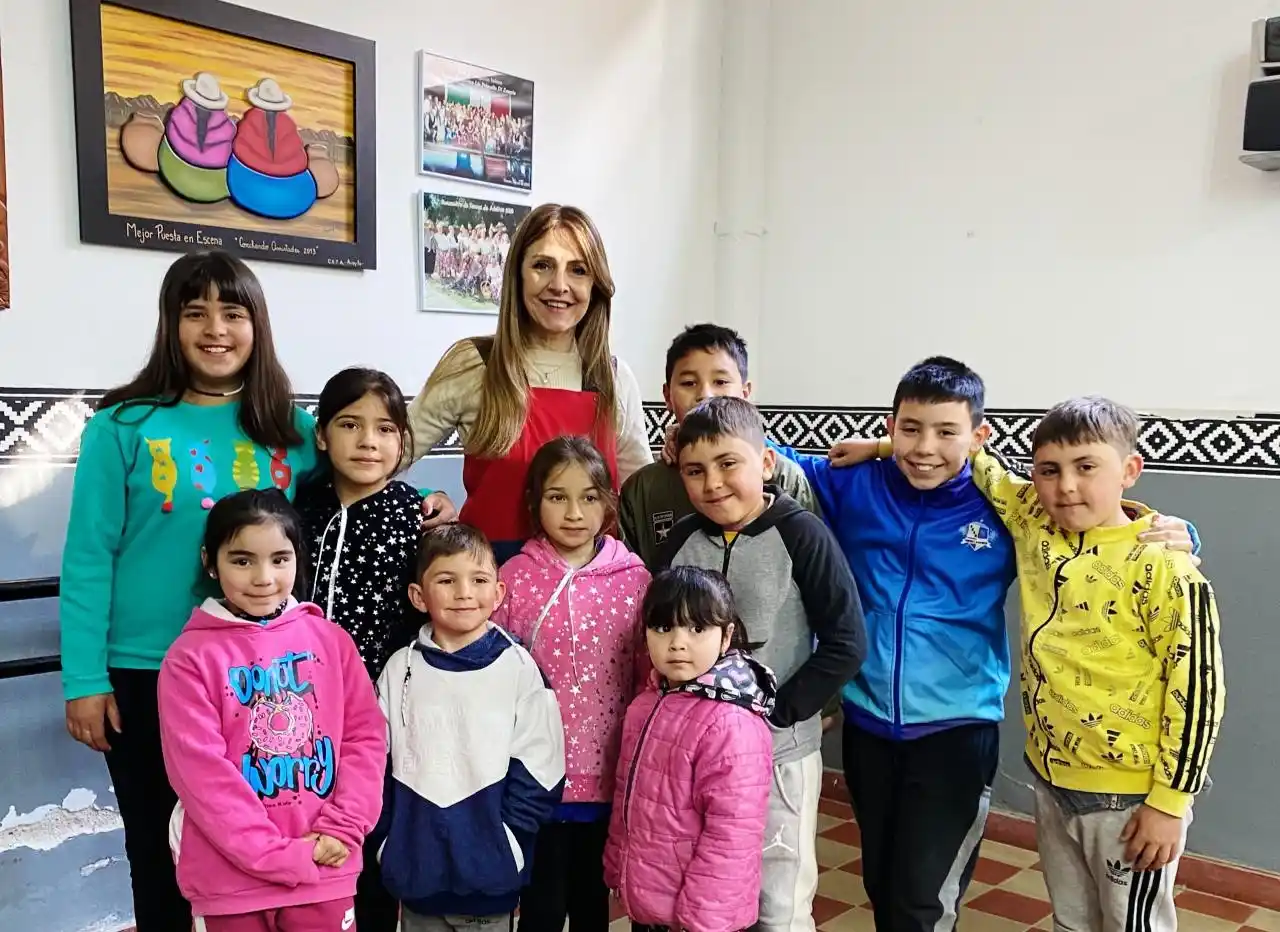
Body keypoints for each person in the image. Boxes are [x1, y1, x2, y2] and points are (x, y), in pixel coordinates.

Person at [782, 357, 1202, 931]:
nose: (926, 446)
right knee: (883, 883)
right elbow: (766, 461)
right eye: (909, 429)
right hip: (872, 725)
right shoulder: (859, 484)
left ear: (978, 436)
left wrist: (1179, 533)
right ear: (892, 425)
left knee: (921, 903)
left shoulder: (1009, 507)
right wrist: (879, 449)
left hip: (959, 730)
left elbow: (1106, 527)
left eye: (946, 431)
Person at [59, 250, 318, 931]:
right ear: (170, 324)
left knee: (262, 839)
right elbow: (88, 557)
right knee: (157, 848)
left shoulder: (292, 431)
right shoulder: (122, 426)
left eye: (232, 313)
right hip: (144, 670)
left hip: (262, 676)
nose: (215, 329)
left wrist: (428, 505)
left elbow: (361, 488)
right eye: (194, 312)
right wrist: (83, 677)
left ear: (257, 325)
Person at [968, 397, 1224, 932]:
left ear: (1129, 470)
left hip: (1129, 797)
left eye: (1087, 467)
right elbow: (978, 461)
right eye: (1049, 470)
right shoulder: (1035, 521)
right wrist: (881, 446)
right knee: (1072, 920)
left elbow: (1199, 691)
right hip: (1051, 779)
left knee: (1132, 924)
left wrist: (1169, 804)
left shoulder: (1166, 568)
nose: (1065, 486)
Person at [658, 396, 867, 932]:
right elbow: (656, 633)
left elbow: (846, 642)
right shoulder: (681, 541)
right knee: (706, 895)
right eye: (695, 471)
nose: (713, 483)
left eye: (728, 463)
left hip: (780, 755)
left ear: (766, 462)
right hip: (696, 758)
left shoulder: (802, 535)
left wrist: (779, 711)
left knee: (780, 903)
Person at [157, 489, 386, 932]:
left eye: (280, 559)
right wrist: (279, 856)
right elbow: (202, 776)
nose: (263, 578)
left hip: (327, 866)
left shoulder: (331, 641)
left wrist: (343, 827)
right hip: (230, 885)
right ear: (210, 561)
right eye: (242, 560)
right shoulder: (188, 659)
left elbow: (365, 739)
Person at [405, 203, 652, 564]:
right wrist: (424, 496)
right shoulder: (474, 363)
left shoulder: (613, 378)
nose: (559, 285)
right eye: (542, 266)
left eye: (578, 270)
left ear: (595, 284)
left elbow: (644, 500)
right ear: (517, 274)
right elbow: (383, 454)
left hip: (590, 591)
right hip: (488, 585)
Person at [491, 436, 651, 932]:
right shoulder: (513, 578)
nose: (575, 512)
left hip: (607, 774)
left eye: (589, 497)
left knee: (590, 902)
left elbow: (645, 676)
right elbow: (495, 675)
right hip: (535, 775)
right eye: (558, 497)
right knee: (540, 904)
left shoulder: (635, 579)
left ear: (608, 502)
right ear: (534, 502)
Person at [375, 524, 567, 932]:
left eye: (478, 580)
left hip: (489, 878)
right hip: (415, 877)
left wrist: (507, 841)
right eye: (447, 580)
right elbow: (375, 764)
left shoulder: (519, 669)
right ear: (418, 596)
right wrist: (388, 842)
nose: (464, 592)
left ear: (498, 593)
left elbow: (543, 768)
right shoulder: (398, 669)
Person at [295, 366, 426, 932]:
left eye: (385, 428)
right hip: (297, 708)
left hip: (380, 717)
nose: (368, 441)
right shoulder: (300, 507)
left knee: (370, 844)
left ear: (402, 440)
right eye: (350, 424)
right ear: (322, 435)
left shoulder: (415, 516)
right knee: (307, 835)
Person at [603, 566, 775, 932]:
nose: (677, 643)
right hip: (651, 906)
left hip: (699, 919)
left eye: (697, 629)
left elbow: (732, 836)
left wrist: (703, 920)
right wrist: (618, 868)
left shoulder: (731, 722)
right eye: (662, 628)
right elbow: (626, 799)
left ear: (726, 636)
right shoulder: (645, 705)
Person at [619, 323, 820, 570]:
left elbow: (815, 565)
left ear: (745, 393)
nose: (705, 394)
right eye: (689, 383)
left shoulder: (785, 477)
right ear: (667, 396)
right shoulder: (642, 490)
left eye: (721, 381)